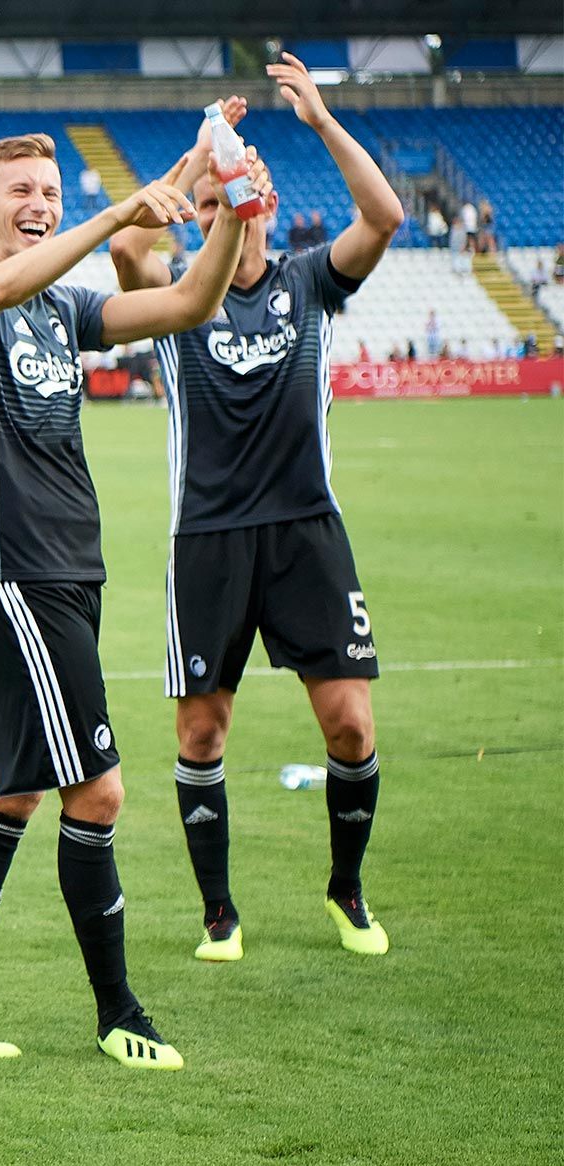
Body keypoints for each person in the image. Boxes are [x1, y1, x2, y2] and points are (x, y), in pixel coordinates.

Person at [0, 127, 256, 1072]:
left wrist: (233, 209)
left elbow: (185, 301)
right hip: (11, 564)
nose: (37, 201)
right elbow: (2, 286)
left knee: (9, 790)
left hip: (70, 568)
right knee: (98, 788)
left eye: (50, 189)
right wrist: (115, 213)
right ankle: (119, 1011)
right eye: (19, 188)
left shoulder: (65, 306)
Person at [114, 62, 403, 964]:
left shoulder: (311, 282)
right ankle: (217, 912)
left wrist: (318, 118)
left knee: (351, 725)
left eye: (236, 198)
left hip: (307, 529)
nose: (221, 213)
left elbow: (385, 218)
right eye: (205, 206)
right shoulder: (176, 300)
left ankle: (347, 890)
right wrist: (198, 159)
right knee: (202, 730)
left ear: (265, 202)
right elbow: (127, 246)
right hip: (207, 538)